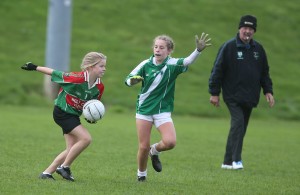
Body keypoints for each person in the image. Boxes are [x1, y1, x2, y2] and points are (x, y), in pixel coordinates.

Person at [125, 33, 212, 181]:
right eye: (156, 47)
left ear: (169, 51)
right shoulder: (146, 64)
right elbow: (128, 79)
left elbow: (187, 61)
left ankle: (155, 151)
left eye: (162, 47)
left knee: (170, 142)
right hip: (144, 109)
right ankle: (141, 175)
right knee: (143, 146)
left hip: (162, 110)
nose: (157, 50)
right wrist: (132, 81)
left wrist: (198, 50)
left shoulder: (172, 64)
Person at [21, 52, 107, 181]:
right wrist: (34, 67)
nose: (104, 69)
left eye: (105, 66)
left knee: (71, 149)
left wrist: (91, 117)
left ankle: (46, 173)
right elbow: (54, 72)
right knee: (86, 139)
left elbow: (91, 105)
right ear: (90, 66)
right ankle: (64, 167)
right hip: (62, 113)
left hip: (73, 116)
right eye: (101, 66)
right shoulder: (75, 78)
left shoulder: (99, 87)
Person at [208, 15, 275, 170]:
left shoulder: (258, 49)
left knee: (240, 127)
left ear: (254, 31)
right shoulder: (229, 47)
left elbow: (264, 72)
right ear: (239, 29)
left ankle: (226, 162)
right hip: (232, 95)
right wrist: (214, 92)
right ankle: (236, 160)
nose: (247, 31)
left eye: (251, 29)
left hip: (250, 96)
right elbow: (217, 70)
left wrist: (268, 91)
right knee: (238, 123)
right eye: (245, 28)